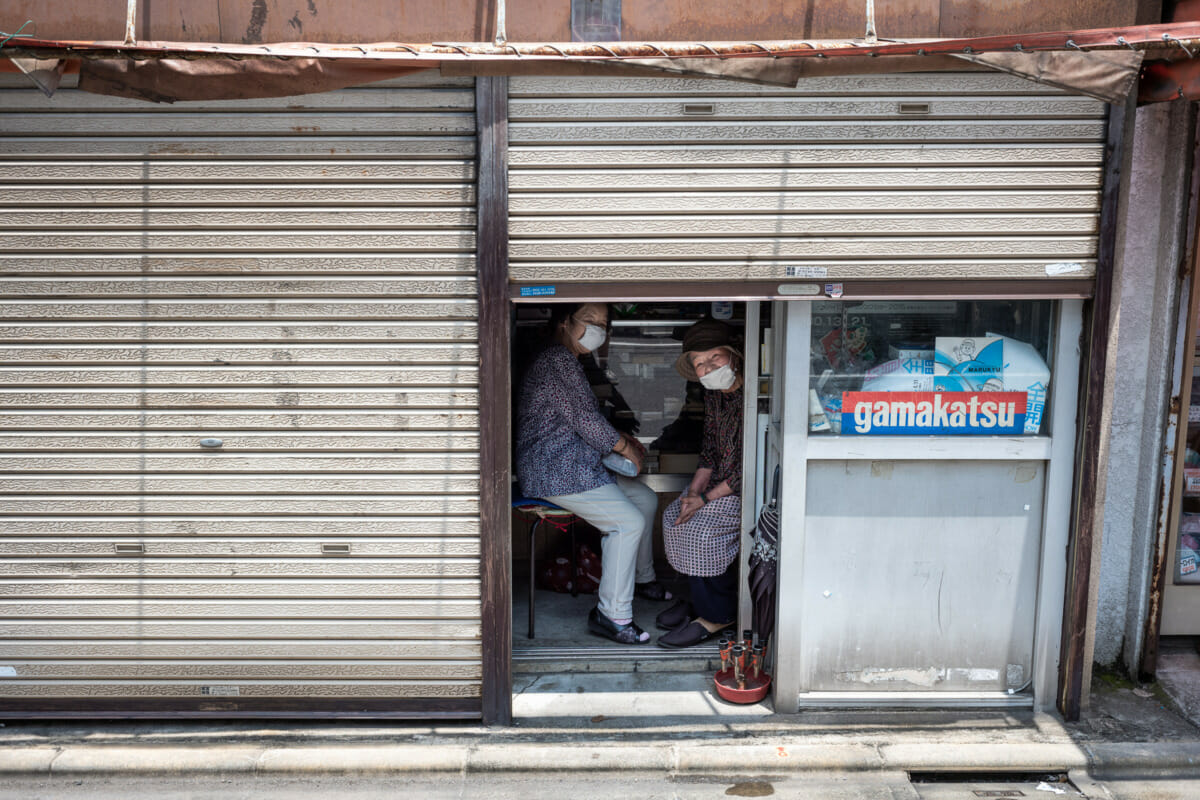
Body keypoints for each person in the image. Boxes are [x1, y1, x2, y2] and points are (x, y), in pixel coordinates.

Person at [514, 303, 672, 645]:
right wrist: (624, 447)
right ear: (564, 322)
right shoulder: (556, 360)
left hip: (573, 465)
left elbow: (582, 419)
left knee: (643, 498)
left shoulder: (566, 360)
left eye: (603, 323)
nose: (598, 328)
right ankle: (612, 614)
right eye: (590, 320)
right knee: (626, 522)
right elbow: (585, 421)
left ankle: (641, 579)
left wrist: (618, 442)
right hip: (554, 468)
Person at [656, 318, 745, 648]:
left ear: (733, 356)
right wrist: (693, 493)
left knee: (702, 531)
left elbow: (745, 467)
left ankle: (717, 616)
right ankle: (695, 600)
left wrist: (705, 500)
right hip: (717, 484)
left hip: (747, 487)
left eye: (715, 358)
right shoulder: (714, 396)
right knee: (674, 518)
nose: (708, 367)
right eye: (700, 362)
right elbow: (709, 451)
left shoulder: (753, 394)